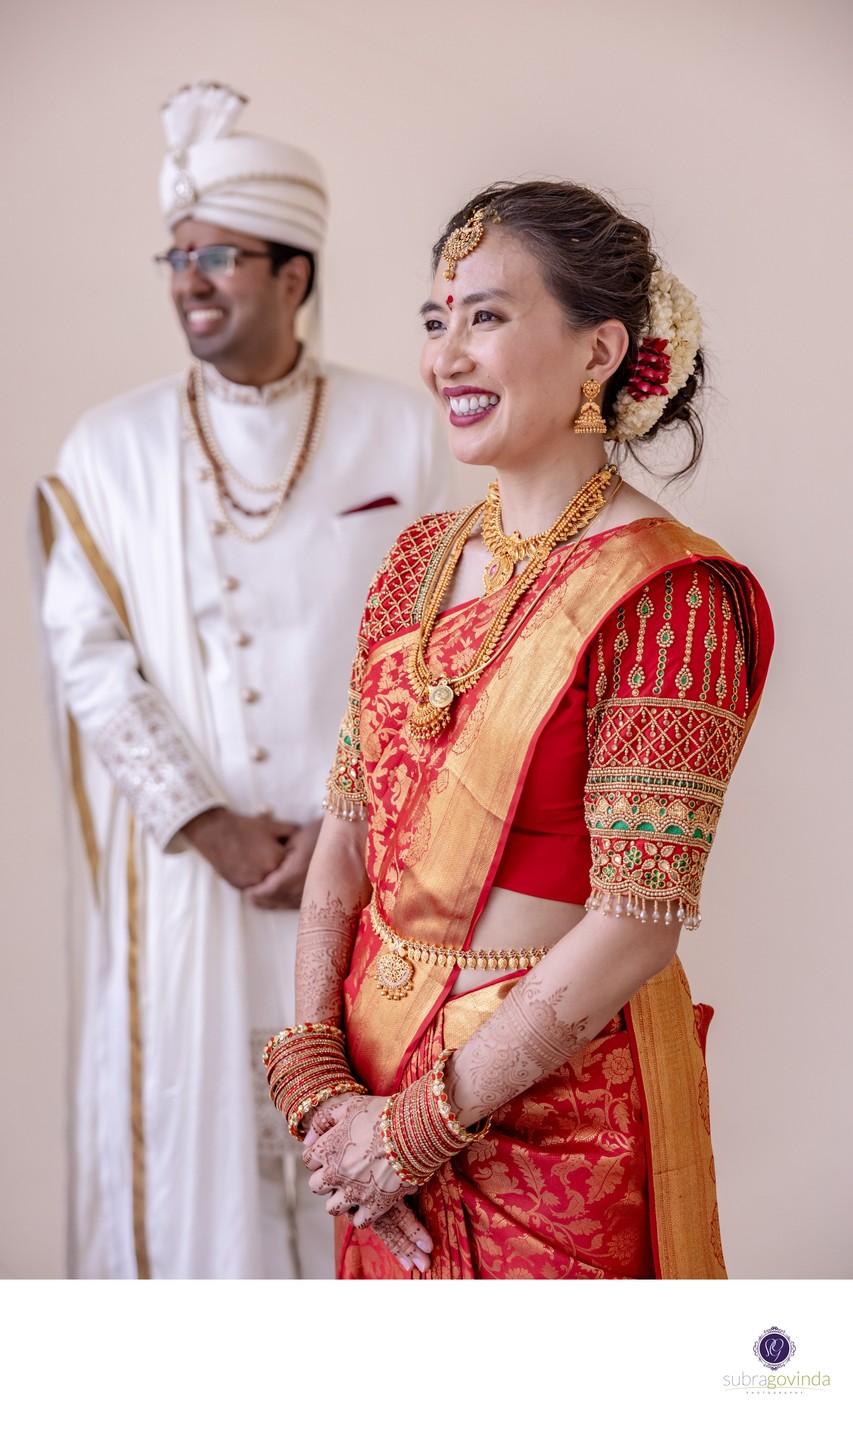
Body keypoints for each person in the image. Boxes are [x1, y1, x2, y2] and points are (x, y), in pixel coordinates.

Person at [264, 180, 774, 1280]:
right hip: (369, 1102)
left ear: (600, 350)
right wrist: (315, 1077)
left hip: (548, 1126)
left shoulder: (669, 596)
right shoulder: (414, 563)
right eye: (435, 321)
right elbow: (342, 840)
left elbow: (636, 920)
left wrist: (419, 1128)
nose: (446, 356)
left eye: (487, 316)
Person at [35, 81, 452, 1280]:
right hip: (190, 884)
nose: (189, 280)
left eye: (218, 254)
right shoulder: (104, 451)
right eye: (175, 256)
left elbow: (451, 640)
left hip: (369, 870)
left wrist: (345, 827)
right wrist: (206, 821)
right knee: (194, 1160)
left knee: (372, 1155)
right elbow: (89, 657)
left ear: (294, 275)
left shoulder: (405, 431)